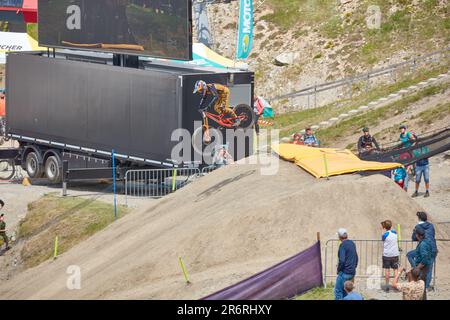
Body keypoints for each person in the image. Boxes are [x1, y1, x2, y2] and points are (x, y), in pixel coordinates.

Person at [407, 212, 437, 289]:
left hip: (424, 246)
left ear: (419, 218)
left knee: (410, 255)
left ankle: (416, 270)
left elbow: (414, 238)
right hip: (432, 247)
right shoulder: (431, 225)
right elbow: (433, 235)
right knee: (429, 267)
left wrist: (417, 268)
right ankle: (426, 287)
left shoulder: (418, 226)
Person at [406, 226, 432, 299]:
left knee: (419, 289)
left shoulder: (423, 244)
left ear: (418, 235)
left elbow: (425, 259)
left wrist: (417, 268)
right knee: (421, 288)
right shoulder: (425, 241)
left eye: (415, 234)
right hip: (424, 268)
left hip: (422, 269)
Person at [334, 228, 358, 300]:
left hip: (345, 272)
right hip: (352, 272)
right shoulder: (352, 243)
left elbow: (342, 260)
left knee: (338, 291)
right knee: (346, 292)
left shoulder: (343, 245)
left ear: (339, 237)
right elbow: (356, 258)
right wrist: (353, 267)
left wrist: (339, 270)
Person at [381, 220, 400, 291]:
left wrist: (383, 230)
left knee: (387, 270)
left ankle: (387, 285)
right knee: (395, 270)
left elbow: (382, 238)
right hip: (395, 254)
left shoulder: (385, 235)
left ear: (384, 227)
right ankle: (396, 284)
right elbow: (393, 231)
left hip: (387, 255)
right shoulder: (395, 233)